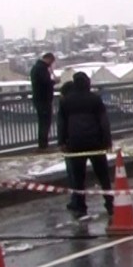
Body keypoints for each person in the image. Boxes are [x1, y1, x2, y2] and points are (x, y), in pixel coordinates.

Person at [56, 71, 115, 219]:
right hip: (96, 143)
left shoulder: (66, 101)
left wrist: (62, 142)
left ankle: (81, 207)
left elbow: (61, 124)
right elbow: (104, 122)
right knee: (103, 177)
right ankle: (109, 204)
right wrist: (107, 142)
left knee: (78, 178)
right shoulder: (95, 99)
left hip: (75, 144)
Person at [30, 52, 57, 151]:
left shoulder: (37, 67)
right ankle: (43, 145)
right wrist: (54, 81)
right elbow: (45, 83)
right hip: (43, 99)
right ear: (48, 59)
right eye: (51, 61)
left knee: (43, 122)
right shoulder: (41, 68)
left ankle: (43, 144)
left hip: (39, 99)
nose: (51, 64)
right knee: (45, 122)